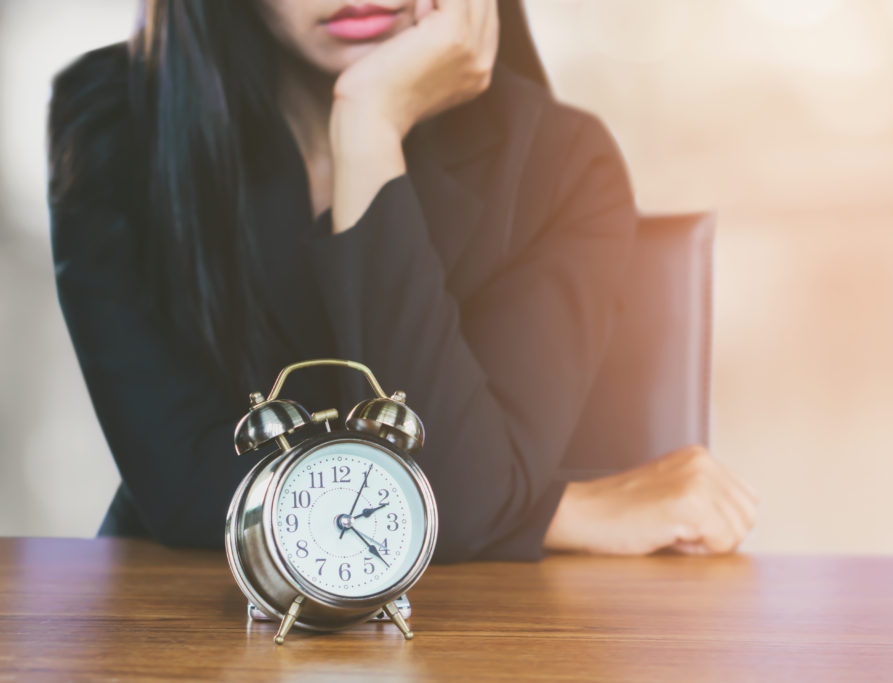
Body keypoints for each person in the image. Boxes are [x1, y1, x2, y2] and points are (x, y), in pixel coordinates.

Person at [47, 0, 757, 562]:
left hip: (480, 638)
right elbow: (184, 490)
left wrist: (368, 127)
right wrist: (559, 513)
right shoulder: (112, 123)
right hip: (183, 619)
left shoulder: (565, 163)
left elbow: (470, 496)